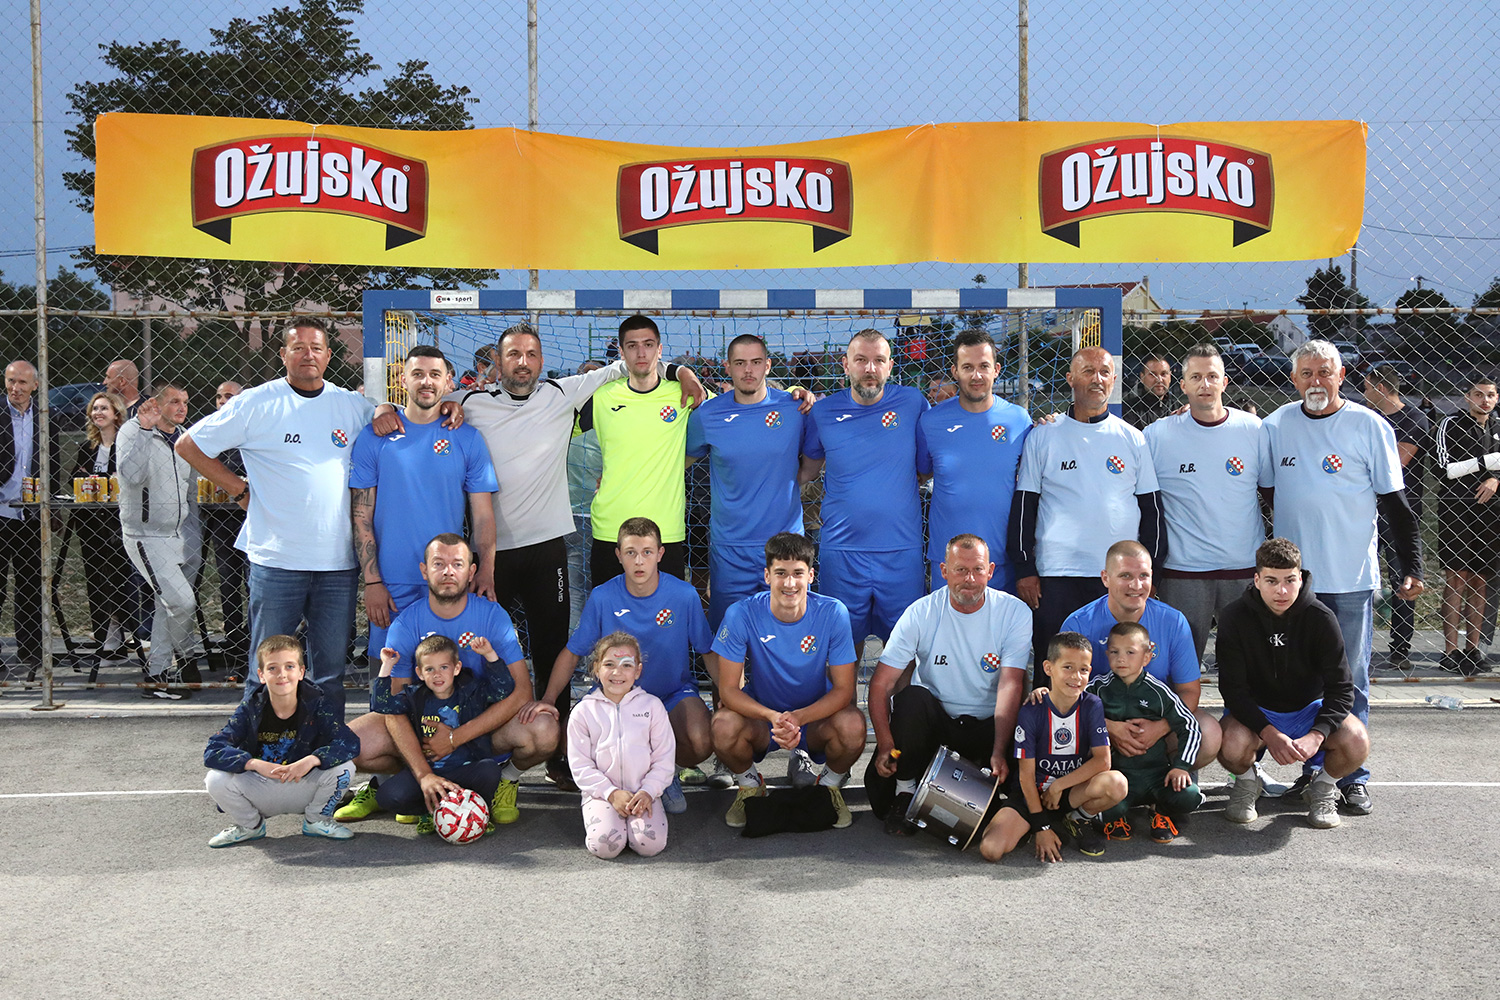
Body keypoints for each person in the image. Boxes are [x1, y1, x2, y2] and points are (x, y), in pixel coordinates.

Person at [451, 322, 702, 789]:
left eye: (531, 354)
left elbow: (630, 365)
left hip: (548, 547)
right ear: (498, 361)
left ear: (542, 361)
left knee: (553, 648)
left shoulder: (561, 394)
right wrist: (388, 407)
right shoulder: (471, 404)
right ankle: (471, 749)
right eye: (513, 354)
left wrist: (681, 369)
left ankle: (560, 754)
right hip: (492, 552)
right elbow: (426, 407)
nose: (522, 362)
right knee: (480, 652)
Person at [176, 318, 377, 714]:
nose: (308, 355)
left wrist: (395, 407)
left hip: (337, 564)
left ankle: (326, 746)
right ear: (283, 354)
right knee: (268, 670)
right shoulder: (257, 402)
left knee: (329, 674)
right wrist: (239, 489)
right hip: (277, 560)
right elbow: (188, 445)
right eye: (298, 348)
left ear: (329, 356)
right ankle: (259, 744)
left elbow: (394, 420)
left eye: (316, 348)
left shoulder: (351, 406)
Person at [1262, 339, 1422, 814]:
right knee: (1302, 682)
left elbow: (1397, 505)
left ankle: (1351, 776)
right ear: (1294, 379)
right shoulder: (1276, 425)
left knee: (1350, 680)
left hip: (1351, 579)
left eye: (1324, 372)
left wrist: (1411, 566)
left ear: (1342, 376)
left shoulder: (1370, 425)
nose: (1316, 381)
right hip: (1294, 586)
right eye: (1306, 373)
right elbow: (1265, 492)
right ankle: (1314, 773)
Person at [336, 534, 553, 825]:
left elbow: (522, 692)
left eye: (457, 564)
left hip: (479, 720)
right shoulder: (406, 623)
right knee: (349, 743)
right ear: (424, 570)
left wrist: (454, 739)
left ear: (471, 572)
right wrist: (424, 772)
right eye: (439, 564)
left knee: (544, 730)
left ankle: (506, 780)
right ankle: (406, 782)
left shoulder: (492, 616)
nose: (448, 571)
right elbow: (395, 708)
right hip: (424, 726)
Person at [525, 517, 712, 814]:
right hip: (615, 699)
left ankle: (665, 774)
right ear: (618, 555)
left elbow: (707, 651)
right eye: (631, 552)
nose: (639, 561)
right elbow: (573, 653)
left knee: (700, 739)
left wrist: (727, 698)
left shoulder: (684, 595)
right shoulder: (603, 596)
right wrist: (548, 700)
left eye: (647, 552)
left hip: (672, 695)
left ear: (661, 554)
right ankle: (616, 786)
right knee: (570, 738)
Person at [1011, 346, 1166, 670]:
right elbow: (1025, 507)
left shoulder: (1133, 438)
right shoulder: (1044, 436)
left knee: (1117, 669)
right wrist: (1025, 569)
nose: (1097, 379)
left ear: (1114, 380)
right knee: (1056, 671)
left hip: (1117, 578)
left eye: (1104, 372)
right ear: (1070, 378)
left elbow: (1152, 511)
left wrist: (1151, 574)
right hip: (1057, 574)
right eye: (1088, 371)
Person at [868, 534, 1031, 836]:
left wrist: (998, 750)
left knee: (1028, 713)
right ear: (943, 571)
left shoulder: (1014, 612)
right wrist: (886, 744)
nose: (969, 579)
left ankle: (1001, 794)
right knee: (911, 699)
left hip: (990, 725)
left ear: (990, 571)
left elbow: (1010, 686)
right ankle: (905, 790)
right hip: (938, 727)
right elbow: (881, 684)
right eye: (960, 570)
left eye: (978, 570)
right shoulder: (920, 612)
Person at [350, 345, 498, 662]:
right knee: (390, 677)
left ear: (448, 382)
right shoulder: (374, 437)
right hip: (392, 582)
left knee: (448, 675)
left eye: (434, 374)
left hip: (448, 579)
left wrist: (486, 568)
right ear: (403, 380)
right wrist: (372, 581)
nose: (426, 381)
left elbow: (483, 516)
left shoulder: (468, 438)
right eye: (417, 374)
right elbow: (361, 515)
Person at [710, 532, 865, 829]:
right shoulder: (741, 613)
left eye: (798, 573)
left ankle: (828, 787)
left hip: (814, 719)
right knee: (723, 724)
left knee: (853, 725)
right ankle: (750, 785)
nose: (790, 583)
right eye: (781, 573)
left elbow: (844, 690)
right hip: (763, 720)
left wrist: (799, 717)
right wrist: (773, 716)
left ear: (811, 576)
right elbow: (728, 689)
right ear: (767, 575)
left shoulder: (833, 613)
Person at [1216, 538, 1370, 829]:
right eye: (1272, 581)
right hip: (1259, 711)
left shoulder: (1321, 618)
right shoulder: (1234, 617)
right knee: (1226, 741)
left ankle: (1322, 787)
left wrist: (1317, 734)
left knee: (1357, 740)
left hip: (1307, 709)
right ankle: (1247, 783)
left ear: (1301, 578)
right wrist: (1269, 732)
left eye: (1289, 580)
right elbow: (1233, 690)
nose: (1282, 591)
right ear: (1257, 580)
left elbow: (1341, 688)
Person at [801, 329, 930, 656]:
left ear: (890, 366)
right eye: (861, 360)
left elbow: (927, 467)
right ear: (846, 365)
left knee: (903, 648)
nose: (870, 369)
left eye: (878, 360)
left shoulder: (913, 403)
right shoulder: (823, 412)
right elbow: (806, 472)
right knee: (843, 648)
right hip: (842, 550)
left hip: (900, 550)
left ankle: (900, 696)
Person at [1146, 344, 1272, 663]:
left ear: (1225, 382)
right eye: (1196, 377)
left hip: (1243, 568)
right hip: (1183, 571)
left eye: (1212, 376)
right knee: (1181, 668)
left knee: (1247, 665)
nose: (1205, 384)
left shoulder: (1254, 429)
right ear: (1182, 385)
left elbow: (1273, 495)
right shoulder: (1157, 435)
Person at [685, 333, 814, 629]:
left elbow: (817, 456)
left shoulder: (796, 409)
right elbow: (678, 463)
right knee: (729, 637)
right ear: (727, 367)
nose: (748, 370)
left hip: (786, 545)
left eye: (756, 362)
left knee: (787, 634)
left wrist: (802, 475)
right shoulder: (707, 416)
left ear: (767, 366)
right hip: (731, 548)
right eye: (740, 363)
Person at [1059, 540, 1220, 767]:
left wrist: (1160, 727)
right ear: (1105, 578)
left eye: (1144, 576)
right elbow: (1064, 695)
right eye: (1125, 576)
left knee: (1209, 733)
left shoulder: (1172, 621)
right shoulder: (1078, 624)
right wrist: (1107, 727)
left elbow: (1189, 690)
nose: (1136, 585)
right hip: (1099, 722)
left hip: (1154, 716)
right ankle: (1094, 781)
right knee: (1060, 729)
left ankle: (1171, 775)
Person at [977, 632, 1124, 862]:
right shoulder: (1032, 711)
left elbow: (1103, 761)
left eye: (1083, 670)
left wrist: (1058, 786)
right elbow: (1026, 776)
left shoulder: (1092, 705)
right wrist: (1041, 826)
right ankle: (1036, 825)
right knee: (991, 849)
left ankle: (1076, 819)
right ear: (1048, 668)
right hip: (1031, 795)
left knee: (1116, 783)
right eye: (1068, 667)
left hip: (1068, 792)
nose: (1076, 676)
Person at [202, 634, 357, 847]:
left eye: (289, 667)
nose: (282, 674)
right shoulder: (251, 708)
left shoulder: (317, 704)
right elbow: (214, 749)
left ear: (301, 672)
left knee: (345, 768)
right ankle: (250, 826)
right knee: (215, 779)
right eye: (272, 668)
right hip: (262, 785)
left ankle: (317, 819)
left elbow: (349, 742)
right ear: (261, 675)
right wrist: (253, 763)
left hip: (303, 782)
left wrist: (313, 760)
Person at [580, 316, 702, 584]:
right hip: (611, 529)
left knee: (665, 611)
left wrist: (793, 393)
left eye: (648, 344)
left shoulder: (683, 393)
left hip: (664, 532)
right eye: (632, 346)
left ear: (659, 349)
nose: (641, 353)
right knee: (610, 610)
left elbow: (734, 408)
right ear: (621, 352)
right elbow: (554, 421)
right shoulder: (602, 397)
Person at [917, 329, 1032, 593]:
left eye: (984, 366)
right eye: (968, 367)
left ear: (997, 370)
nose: (976, 375)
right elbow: (921, 473)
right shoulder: (931, 421)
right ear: (955, 371)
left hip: (1002, 559)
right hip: (948, 561)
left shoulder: (1019, 420)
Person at [369, 635, 509, 834]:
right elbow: (381, 705)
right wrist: (387, 665)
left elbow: (504, 690)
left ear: (457, 668)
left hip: (464, 770)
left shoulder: (471, 691)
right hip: (430, 772)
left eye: (444, 667)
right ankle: (430, 812)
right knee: (388, 795)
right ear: (419, 673)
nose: (437, 675)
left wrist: (490, 654)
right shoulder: (415, 697)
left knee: (490, 770)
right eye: (429, 669)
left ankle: (478, 811)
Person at [117, 383, 201, 697]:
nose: (182, 407)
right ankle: (184, 658)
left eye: (185, 402)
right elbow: (131, 476)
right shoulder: (132, 430)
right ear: (157, 403)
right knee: (181, 602)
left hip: (182, 533)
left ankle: (158, 674)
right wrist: (143, 428)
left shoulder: (184, 436)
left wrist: (193, 530)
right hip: (146, 535)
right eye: (174, 401)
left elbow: (190, 487)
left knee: (168, 605)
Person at [1087, 622, 1203, 844]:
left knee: (1190, 796)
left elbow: (1189, 725)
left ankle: (1160, 812)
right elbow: (1071, 707)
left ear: (1147, 657)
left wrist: (1181, 766)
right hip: (1118, 775)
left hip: (1156, 775)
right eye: (1114, 652)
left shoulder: (1158, 691)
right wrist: (1044, 693)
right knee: (1102, 810)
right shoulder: (1098, 688)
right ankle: (1116, 817)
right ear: (1107, 654)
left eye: (1130, 652)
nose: (1121, 659)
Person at [568, 632, 677, 859]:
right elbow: (580, 765)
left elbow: (664, 757)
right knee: (605, 847)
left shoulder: (652, 707)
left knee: (650, 845)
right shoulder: (583, 711)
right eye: (609, 664)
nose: (617, 672)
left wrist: (649, 791)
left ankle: (636, 824)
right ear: (596, 668)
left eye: (626, 665)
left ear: (637, 671)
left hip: (642, 793)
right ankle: (611, 821)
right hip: (602, 794)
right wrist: (610, 793)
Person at [1362, 364, 1429, 670]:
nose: (1364, 394)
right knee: (1361, 575)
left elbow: (1395, 464)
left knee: (1401, 577)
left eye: (1367, 388)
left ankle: (1400, 647)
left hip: (1399, 511)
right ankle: (1357, 641)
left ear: (1380, 388)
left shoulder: (1414, 418)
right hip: (1364, 509)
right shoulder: (1366, 417)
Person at [1432, 376, 1500, 675]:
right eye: (1479, 394)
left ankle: (1473, 649)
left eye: (1491, 395)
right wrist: (1490, 462)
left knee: (1480, 580)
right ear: (1467, 397)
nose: (1485, 400)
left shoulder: (1498, 426)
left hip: (1491, 514)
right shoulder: (1450, 424)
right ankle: (1450, 651)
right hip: (1456, 510)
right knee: (1456, 578)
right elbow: (1443, 469)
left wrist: (1495, 478)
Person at [0, 360, 61, 672]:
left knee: (30, 585)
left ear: (35, 385)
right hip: (1, 511)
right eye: (11, 381)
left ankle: (31, 650)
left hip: (32, 514)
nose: (16, 388)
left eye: (23, 382)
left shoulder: (46, 416)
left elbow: (54, 461)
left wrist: (52, 505)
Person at [71, 391, 132, 662]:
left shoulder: (126, 445)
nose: (98, 413)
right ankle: (104, 634)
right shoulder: (88, 447)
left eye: (104, 408)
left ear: (116, 414)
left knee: (119, 576)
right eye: (95, 409)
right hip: (90, 523)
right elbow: (75, 477)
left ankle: (126, 630)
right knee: (95, 577)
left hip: (118, 523)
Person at [199, 381, 250, 678]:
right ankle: (234, 643)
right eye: (218, 396)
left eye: (228, 396)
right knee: (228, 584)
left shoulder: (250, 429)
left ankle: (252, 641)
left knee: (252, 583)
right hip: (220, 518)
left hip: (249, 516)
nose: (222, 401)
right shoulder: (211, 431)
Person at [1122, 354, 1176, 430]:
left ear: (1170, 377)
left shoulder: (1178, 408)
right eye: (1152, 374)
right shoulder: (1129, 410)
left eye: (1163, 374)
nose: (1159, 379)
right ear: (1142, 377)